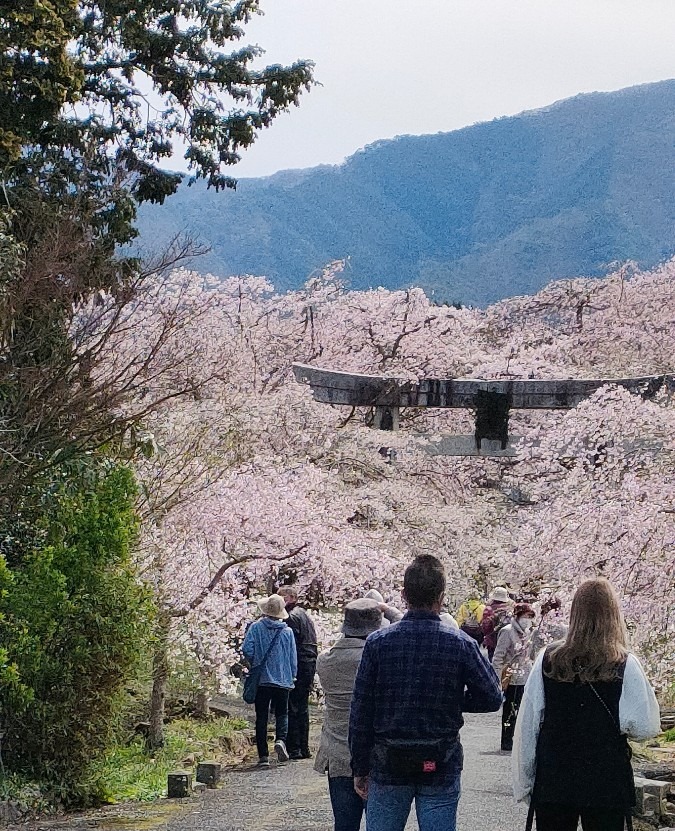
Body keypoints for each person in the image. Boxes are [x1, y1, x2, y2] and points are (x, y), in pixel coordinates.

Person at [349, 554, 503, 831]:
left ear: (404, 594)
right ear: (441, 597)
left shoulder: (378, 643)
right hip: (440, 759)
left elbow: (361, 710)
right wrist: (455, 700)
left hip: (388, 761)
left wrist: (360, 766)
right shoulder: (460, 643)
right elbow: (492, 696)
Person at [513, 578, 661, 831]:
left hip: (555, 779)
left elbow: (528, 728)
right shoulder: (625, 664)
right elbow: (645, 726)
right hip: (606, 780)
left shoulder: (547, 660)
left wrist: (525, 783)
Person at [315, 598, 384, 831]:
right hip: (374, 751)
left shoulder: (325, 660)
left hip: (337, 751)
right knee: (380, 822)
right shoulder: (378, 659)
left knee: (344, 824)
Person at [242, 594, 297, 767]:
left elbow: (247, 649)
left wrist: (255, 662)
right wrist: (292, 675)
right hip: (282, 679)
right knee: (282, 713)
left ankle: (263, 756)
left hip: (262, 680)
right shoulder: (287, 632)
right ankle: (280, 740)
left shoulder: (256, 628)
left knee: (261, 717)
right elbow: (292, 658)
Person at [278, 584, 318, 759]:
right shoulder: (303, 614)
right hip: (309, 661)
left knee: (293, 706)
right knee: (302, 707)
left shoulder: (291, 617)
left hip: (299, 663)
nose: (280, 601)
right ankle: (304, 747)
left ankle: (295, 748)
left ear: (292, 598)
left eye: (282, 597)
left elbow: (291, 646)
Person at [492, 602, 536, 752]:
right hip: (511, 676)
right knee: (510, 710)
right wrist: (497, 679)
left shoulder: (529, 632)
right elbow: (498, 657)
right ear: (518, 616)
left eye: (530, 616)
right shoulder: (507, 631)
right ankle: (506, 739)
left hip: (525, 676)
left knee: (523, 711)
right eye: (526, 616)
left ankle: (518, 740)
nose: (528, 619)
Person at [481, 586, 515, 660]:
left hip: (493, 642)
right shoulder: (510, 609)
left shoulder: (489, 609)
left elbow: (485, 628)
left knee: (493, 663)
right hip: (508, 641)